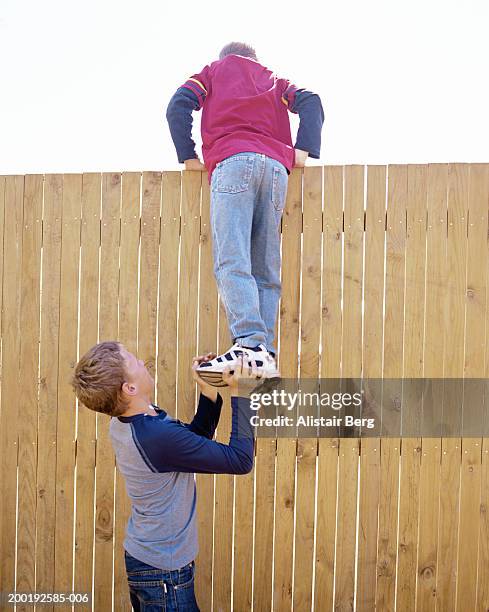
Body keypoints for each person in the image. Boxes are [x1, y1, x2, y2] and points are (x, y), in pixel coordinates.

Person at [166, 41, 324, 387]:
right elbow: (311, 101)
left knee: (231, 260)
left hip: (233, 161)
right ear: (255, 59)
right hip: (275, 170)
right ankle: (262, 356)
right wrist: (304, 149)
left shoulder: (212, 73)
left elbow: (178, 105)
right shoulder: (273, 80)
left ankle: (250, 344)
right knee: (265, 268)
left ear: (225, 58)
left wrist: (188, 155)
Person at [70, 340, 258, 612]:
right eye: (133, 360)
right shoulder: (154, 436)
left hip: (151, 563)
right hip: (163, 574)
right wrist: (244, 392)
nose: (142, 361)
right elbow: (240, 460)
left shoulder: (136, 420)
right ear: (129, 388)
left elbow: (191, 445)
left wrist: (209, 392)